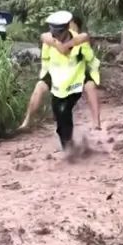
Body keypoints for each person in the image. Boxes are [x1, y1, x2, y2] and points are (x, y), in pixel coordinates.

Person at [18, 16, 101, 130]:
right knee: (39, 87)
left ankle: (96, 122)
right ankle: (27, 121)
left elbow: (86, 52)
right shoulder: (50, 38)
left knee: (90, 86)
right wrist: (59, 46)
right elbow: (47, 40)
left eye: (72, 25)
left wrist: (68, 47)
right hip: (56, 71)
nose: (70, 28)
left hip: (75, 71)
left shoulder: (81, 39)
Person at [39, 10, 96, 156]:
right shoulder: (51, 39)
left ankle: (69, 149)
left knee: (65, 110)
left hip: (75, 82)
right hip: (58, 84)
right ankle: (68, 145)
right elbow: (47, 41)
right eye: (53, 32)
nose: (55, 35)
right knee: (58, 113)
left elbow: (84, 50)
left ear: (66, 29)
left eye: (58, 32)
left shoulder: (78, 39)